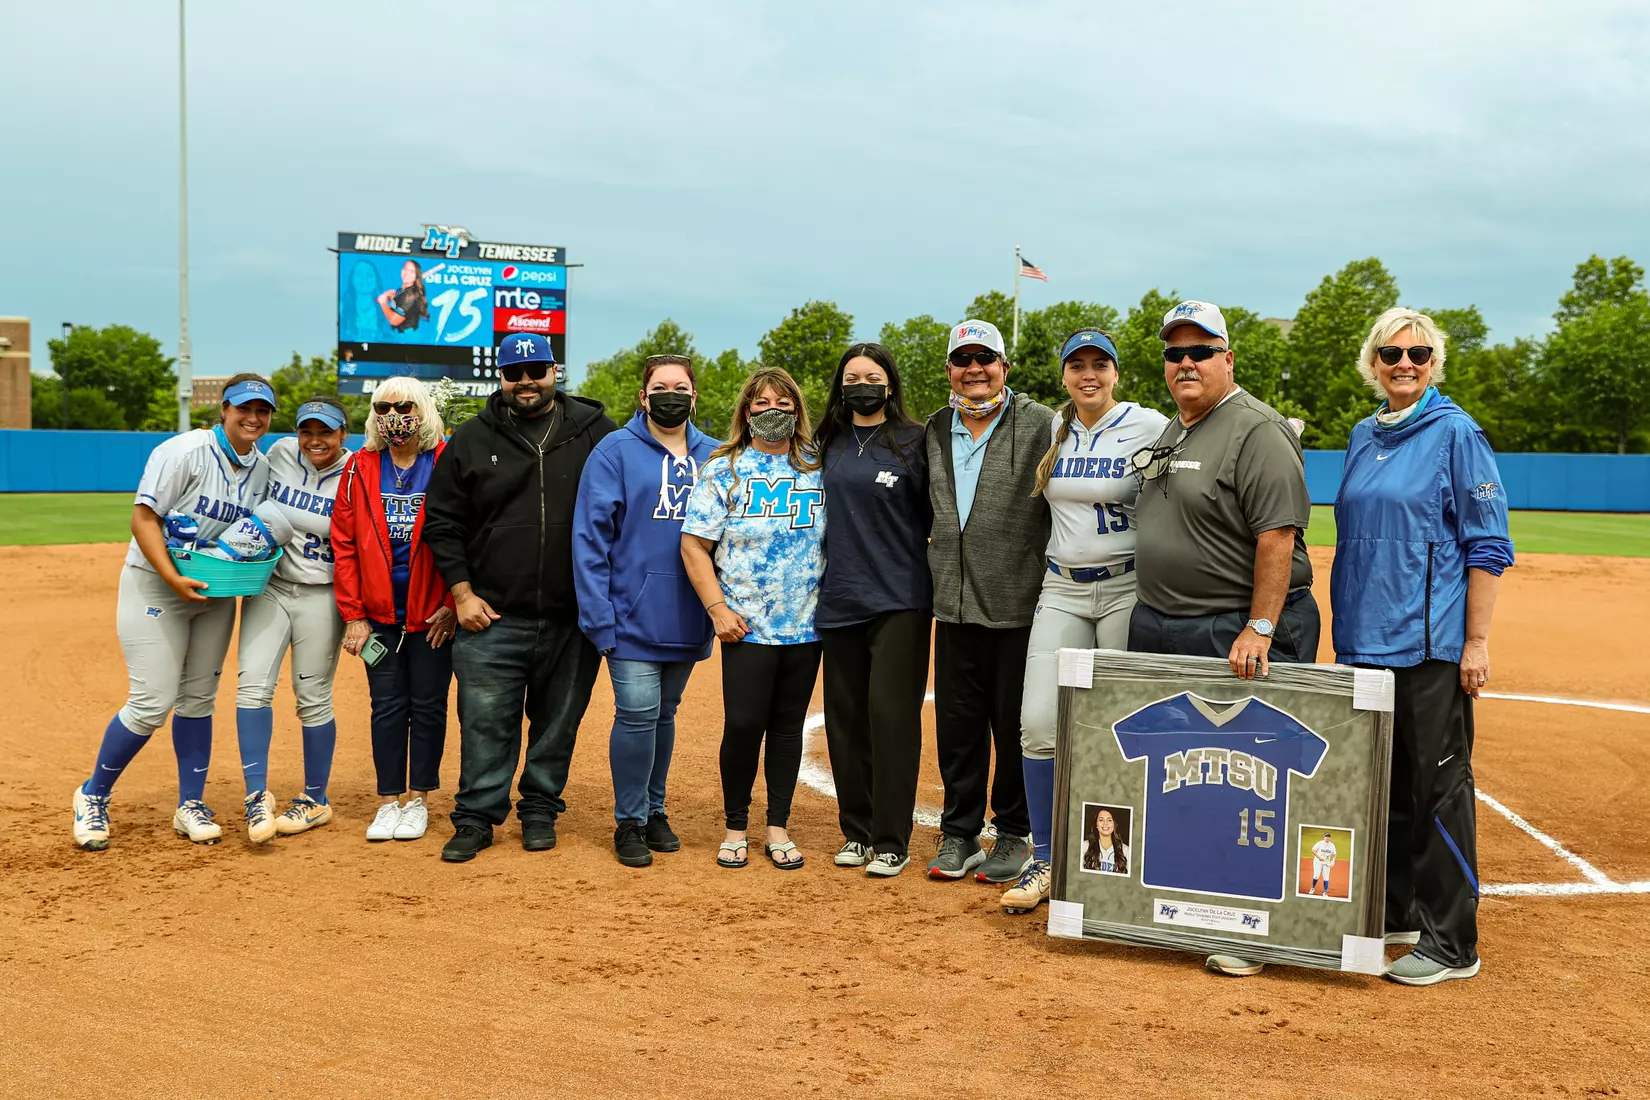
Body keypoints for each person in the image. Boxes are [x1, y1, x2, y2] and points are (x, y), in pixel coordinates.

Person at [1129, 300, 1321, 977]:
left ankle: (1252, 927)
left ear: (1228, 359)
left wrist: (1261, 626)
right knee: (1186, 777)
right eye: (1175, 354)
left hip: (1231, 628)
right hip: (1164, 623)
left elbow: (1278, 537)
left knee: (1249, 783)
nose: (1186, 363)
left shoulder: (1257, 430)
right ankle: (1187, 903)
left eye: (1200, 351)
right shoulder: (1179, 432)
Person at [1332, 307, 1512, 986]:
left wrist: (1477, 641)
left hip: (1430, 643)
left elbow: (1488, 543)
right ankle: (1398, 911)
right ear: (1372, 363)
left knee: (1439, 787)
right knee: (1386, 785)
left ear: (1434, 362)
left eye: (1418, 353)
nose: (1404, 364)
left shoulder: (1457, 432)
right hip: (1363, 639)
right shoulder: (1361, 433)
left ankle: (1451, 943)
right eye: (1390, 354)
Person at [423, 334, 618, 863]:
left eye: (535, 370)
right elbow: (441, 523)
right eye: (514, 373)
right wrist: (461, 594)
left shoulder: (598, 433)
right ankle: (476, 817)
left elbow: (625, 514)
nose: (525, 381)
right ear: (501, 378)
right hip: (491, 617)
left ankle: (539, 809)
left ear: (554, 370)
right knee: (486, 724)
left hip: (573, 617)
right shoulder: (469, 438)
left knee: (559, 722)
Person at [72, 374, 277, 851]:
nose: (253, 418)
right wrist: (171, 578)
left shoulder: (263, 468)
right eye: (244, 408)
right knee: (151, 702)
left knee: (199, 700)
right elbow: (143, 518)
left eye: (263, 411)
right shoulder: (183, 452)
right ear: (224, 409)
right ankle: (92, 795)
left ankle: (190, 803)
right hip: (155, 585)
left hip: (216, 591)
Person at [1002, 329, 1168, 913]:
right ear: (1064, 374)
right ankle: (1045, 858)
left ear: (1117, 372)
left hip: (1126, 587)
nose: (1088, 375)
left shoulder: (1148, 424)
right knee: (1040, 723)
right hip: (1062, 589)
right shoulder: (1057, 426)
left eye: (1101, 364)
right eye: (1078, 365)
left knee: (1119, 726)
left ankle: (1120, 863)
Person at [573, 354, 719, 868]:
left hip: (687, 613)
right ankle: (629, 820)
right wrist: (597, 614)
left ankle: (656, 810)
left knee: (665, 714)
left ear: (694, 396)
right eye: (660, 387)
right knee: (636, 713)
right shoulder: (615, 451)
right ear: (644, 396)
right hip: (628, 615)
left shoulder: (717, 455)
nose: (671, 394)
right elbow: (590, 538)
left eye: (680, 386)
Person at [923, 319, 1054, 884]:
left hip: (1017, 603)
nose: (974, 370)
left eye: (986, 359)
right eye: (963, 360)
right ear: (950, 369)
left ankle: (1015, 834)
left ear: (1005, 365)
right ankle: (958, 833)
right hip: (951, 604)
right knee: (958, 726)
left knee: (1012, 723)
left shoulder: (1043, 423)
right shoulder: (934, 428)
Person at [681, 367, 825, 872]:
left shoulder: (815, 465)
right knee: (743, 725)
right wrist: (718, 609)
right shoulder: (725, 469)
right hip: (745, 624)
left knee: (786, 729)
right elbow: (694, 544)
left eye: (783, 405)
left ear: (797, 412)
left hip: (807, 625)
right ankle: (735, 826)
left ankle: (778, 826)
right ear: (746, 410)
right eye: (761, 403)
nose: (772, 412)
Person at [814, 342, 931, 878]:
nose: (862, 384)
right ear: (841, 385)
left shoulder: (915, 441)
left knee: (891, 718)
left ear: (890, 383)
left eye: (873, 375)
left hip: (900, 601)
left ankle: (891, 838)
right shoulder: (824, 443)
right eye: (852, 376)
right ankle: (856, 832)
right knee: (845, 721)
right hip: (839, 600)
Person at [332, 377, 457, 843]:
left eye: (403, 406)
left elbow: (469, 535)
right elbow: (343, 545)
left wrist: (451, 604)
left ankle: (419, 800)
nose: (393, 416)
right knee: (385, 707)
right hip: (378, 616)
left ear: (422, 409)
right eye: (382, 407)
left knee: (428, 706)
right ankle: (389, 801)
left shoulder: (445, 461)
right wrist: (353, 614)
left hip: (433, 618)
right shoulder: (358, 467)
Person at [233, 398, 352, 843]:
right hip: (273, 587)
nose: (314, 441)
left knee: (313, 696)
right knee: (252, 687)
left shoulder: (357, 472)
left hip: (323, 596)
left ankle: (315, 799)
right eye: (308, 431)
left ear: (344, 434)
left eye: (326, 432)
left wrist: (278, 515)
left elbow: (349, 528)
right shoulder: (280, 452)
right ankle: (255, 795)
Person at [377, 259, 429, 332]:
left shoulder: (411, 296)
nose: (407, 273)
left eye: (412, 271)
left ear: (416, 275)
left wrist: (383, 303)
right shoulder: (402, 290)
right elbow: (399, 306)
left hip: (406, 337)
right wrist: (390, 298)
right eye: (405, 269)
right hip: (399, 336)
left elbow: (394, 320)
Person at [1081, 807, 1129, 875]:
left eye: (1109, 820)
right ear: (1096, 825)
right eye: (1101, 820)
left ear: (1114, 824)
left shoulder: (1126, 850)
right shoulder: (1084, 846)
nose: (1105, 823)